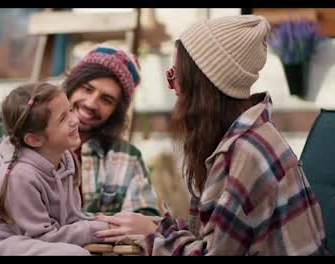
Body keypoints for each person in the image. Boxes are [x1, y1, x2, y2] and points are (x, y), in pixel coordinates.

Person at [94, 15, 329, 256]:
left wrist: (152, 238)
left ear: (201, 87)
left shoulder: (247, 154)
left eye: (175, 75)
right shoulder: (245, 137)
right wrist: (158, 228)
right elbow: (214, 232)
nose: (171, 86)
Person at [0, 45, 160, 256]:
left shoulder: (125, 157)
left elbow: (148, 219)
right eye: (87, 88)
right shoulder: (5, 140)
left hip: (73, 250)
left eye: (106, 100)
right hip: (2, 245)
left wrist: (142, 225)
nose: (91, 103)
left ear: (116, 111)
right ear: (72, 86)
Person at [0, 83, 110, 255]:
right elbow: (42, 237)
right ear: (34, 140)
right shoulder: (20, 176)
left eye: (69, 110)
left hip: (30, 241)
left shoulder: (65, 162)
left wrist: (107, 224)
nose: (75, 120)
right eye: (63, 118)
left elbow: (71, 220)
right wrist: (93, 231)